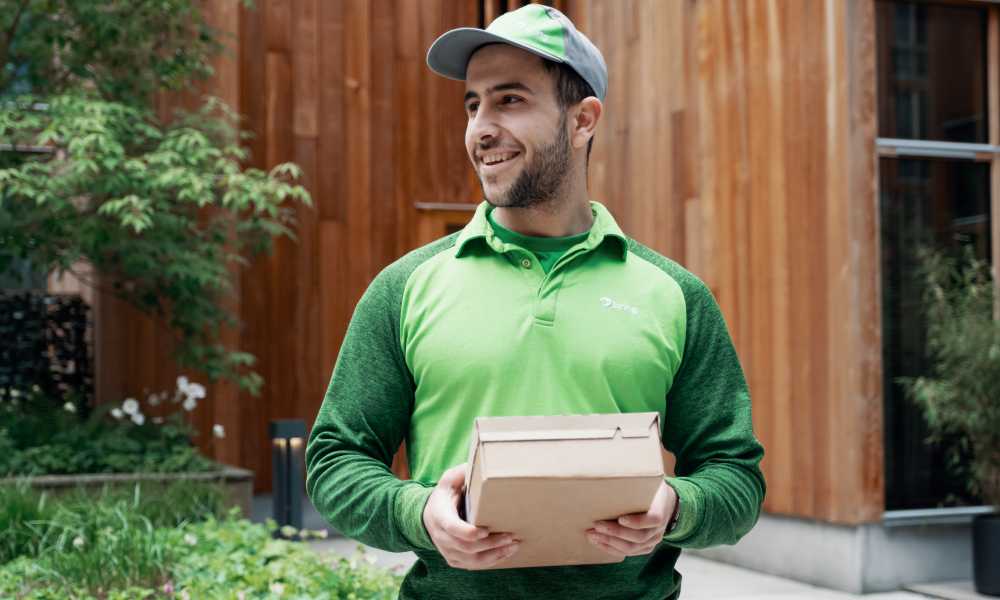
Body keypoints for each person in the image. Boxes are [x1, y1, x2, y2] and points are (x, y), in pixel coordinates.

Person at [305, 5, 765, 599]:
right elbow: (336, 459)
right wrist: (417, 512)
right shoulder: (405, 287)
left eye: (510, 100)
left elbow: (737, 477)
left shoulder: (675, 295)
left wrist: (678, 506)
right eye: (474, 105)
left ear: (583, 120)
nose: (481, 128)